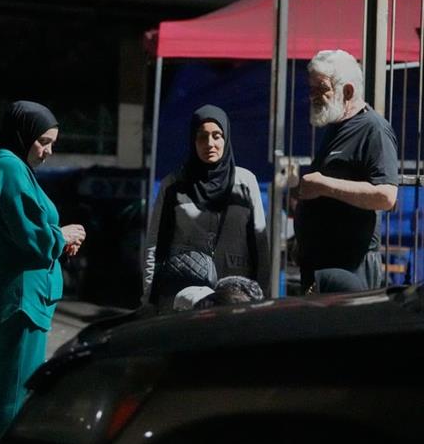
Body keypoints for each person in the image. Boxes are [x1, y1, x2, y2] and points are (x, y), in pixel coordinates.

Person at [0, 100, 85, 443]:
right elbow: (34, 237)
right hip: (20, 301)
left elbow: (13, 231)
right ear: (22, 134)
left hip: (4, 297)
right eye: (43, 141)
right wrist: (62, 236)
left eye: (52, 143)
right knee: (15, 395)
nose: (48, 152)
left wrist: (55, 241)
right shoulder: (9, 169)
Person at [144, 105, 270, 312]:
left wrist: (262, 297)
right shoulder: (174, 185)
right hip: (185, 297)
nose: (209, 143)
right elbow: (155, 246)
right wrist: (148, 300)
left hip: (234, 298)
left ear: (226, 138)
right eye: (202, 137)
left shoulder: (246, 183)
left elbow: (260, 246)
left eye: (217, 135)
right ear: (193, 141)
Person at [293, 49, 399, 292]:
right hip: (321, 264)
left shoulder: (373, 130)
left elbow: (386, 196)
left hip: (351, 267)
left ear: (348, 91)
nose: (313, 97)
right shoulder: (336, 126)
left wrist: (323, 185)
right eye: (311, 89)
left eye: (321, 89)